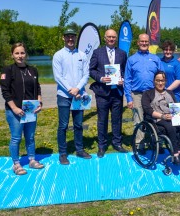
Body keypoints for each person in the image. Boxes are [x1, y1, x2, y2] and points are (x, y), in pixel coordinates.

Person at [0, 42, 44, 175]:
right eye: (17, 53)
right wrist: (14, 108)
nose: (20, 56)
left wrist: (40, 103)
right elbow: (5, 92)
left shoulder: (33, 70)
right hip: (15, 111)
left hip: (30, 110)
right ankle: (16, 163)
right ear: (12, 55)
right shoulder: (8, 70)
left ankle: (31, 160)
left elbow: (38, 87)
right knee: (16, 138)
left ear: (26, 54)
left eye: (22, 53)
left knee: (30, 137)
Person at [53, 28, 91, 165]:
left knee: (78, 124)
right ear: (64, 38)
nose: (70, 39)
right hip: (64, 95)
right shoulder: (58, 55)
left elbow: (86, 74)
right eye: (68, 37)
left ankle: (79, 150)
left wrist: (78, 89)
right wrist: (70, 89)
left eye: (72, 37)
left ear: (76, 38)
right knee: (63, 125)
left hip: (79, 95)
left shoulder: (82, 55)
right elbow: (58, 76)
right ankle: (63, 153)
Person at [89, 29, 128, 158]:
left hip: (117, 92)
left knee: (117, 119)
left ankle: (117, 143)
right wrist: (100, 78)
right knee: (102, 119)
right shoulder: (97, 52)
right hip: (102, 92)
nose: (111, 39)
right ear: (105, 38)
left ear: (116, 39)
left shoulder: (122, 53)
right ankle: (102, 145)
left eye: (113, 37)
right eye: (109, 37)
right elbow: (91, 70)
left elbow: (125, 71)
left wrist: (123, 79)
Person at [141, 71, 180, 165]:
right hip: (157, 119)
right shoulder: (147, 94)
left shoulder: (169, 93)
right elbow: (148, 110)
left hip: (172, 117)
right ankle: (174, 154)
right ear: (154, 81)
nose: (160, 83)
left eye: (162, 81)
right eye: (157, 81)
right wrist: (162, 116)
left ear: (165, 81)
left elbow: (176, 106)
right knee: (171, 127)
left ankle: (179, 150)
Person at [124, 33, 163, 125]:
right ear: (138, 42)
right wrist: (129, 98)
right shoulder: (131, 59)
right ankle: (139, 140)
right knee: (138, 120)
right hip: (137, 94)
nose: (144, 43)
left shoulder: (156, 59)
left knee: (155, 118)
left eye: (146, 41)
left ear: (149, 43)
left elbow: (162, 77)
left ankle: (154, 138)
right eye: (142, 41)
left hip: (152, 94)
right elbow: (127, 80)